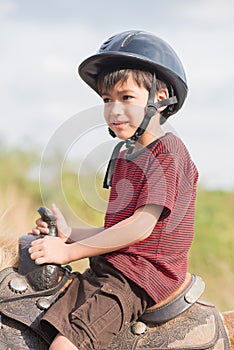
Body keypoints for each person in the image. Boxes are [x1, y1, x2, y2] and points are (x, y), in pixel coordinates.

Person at [29, 30, 198, 350]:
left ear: (159, 98)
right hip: (112, 267)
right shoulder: (126, 154)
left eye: (126, 98)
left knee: (64, 346)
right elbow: (116, 232)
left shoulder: (167, 152)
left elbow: (139, 227)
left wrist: (68, 252)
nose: (114, 109)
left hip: (139, 279)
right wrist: (70, 233)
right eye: (107, 100)